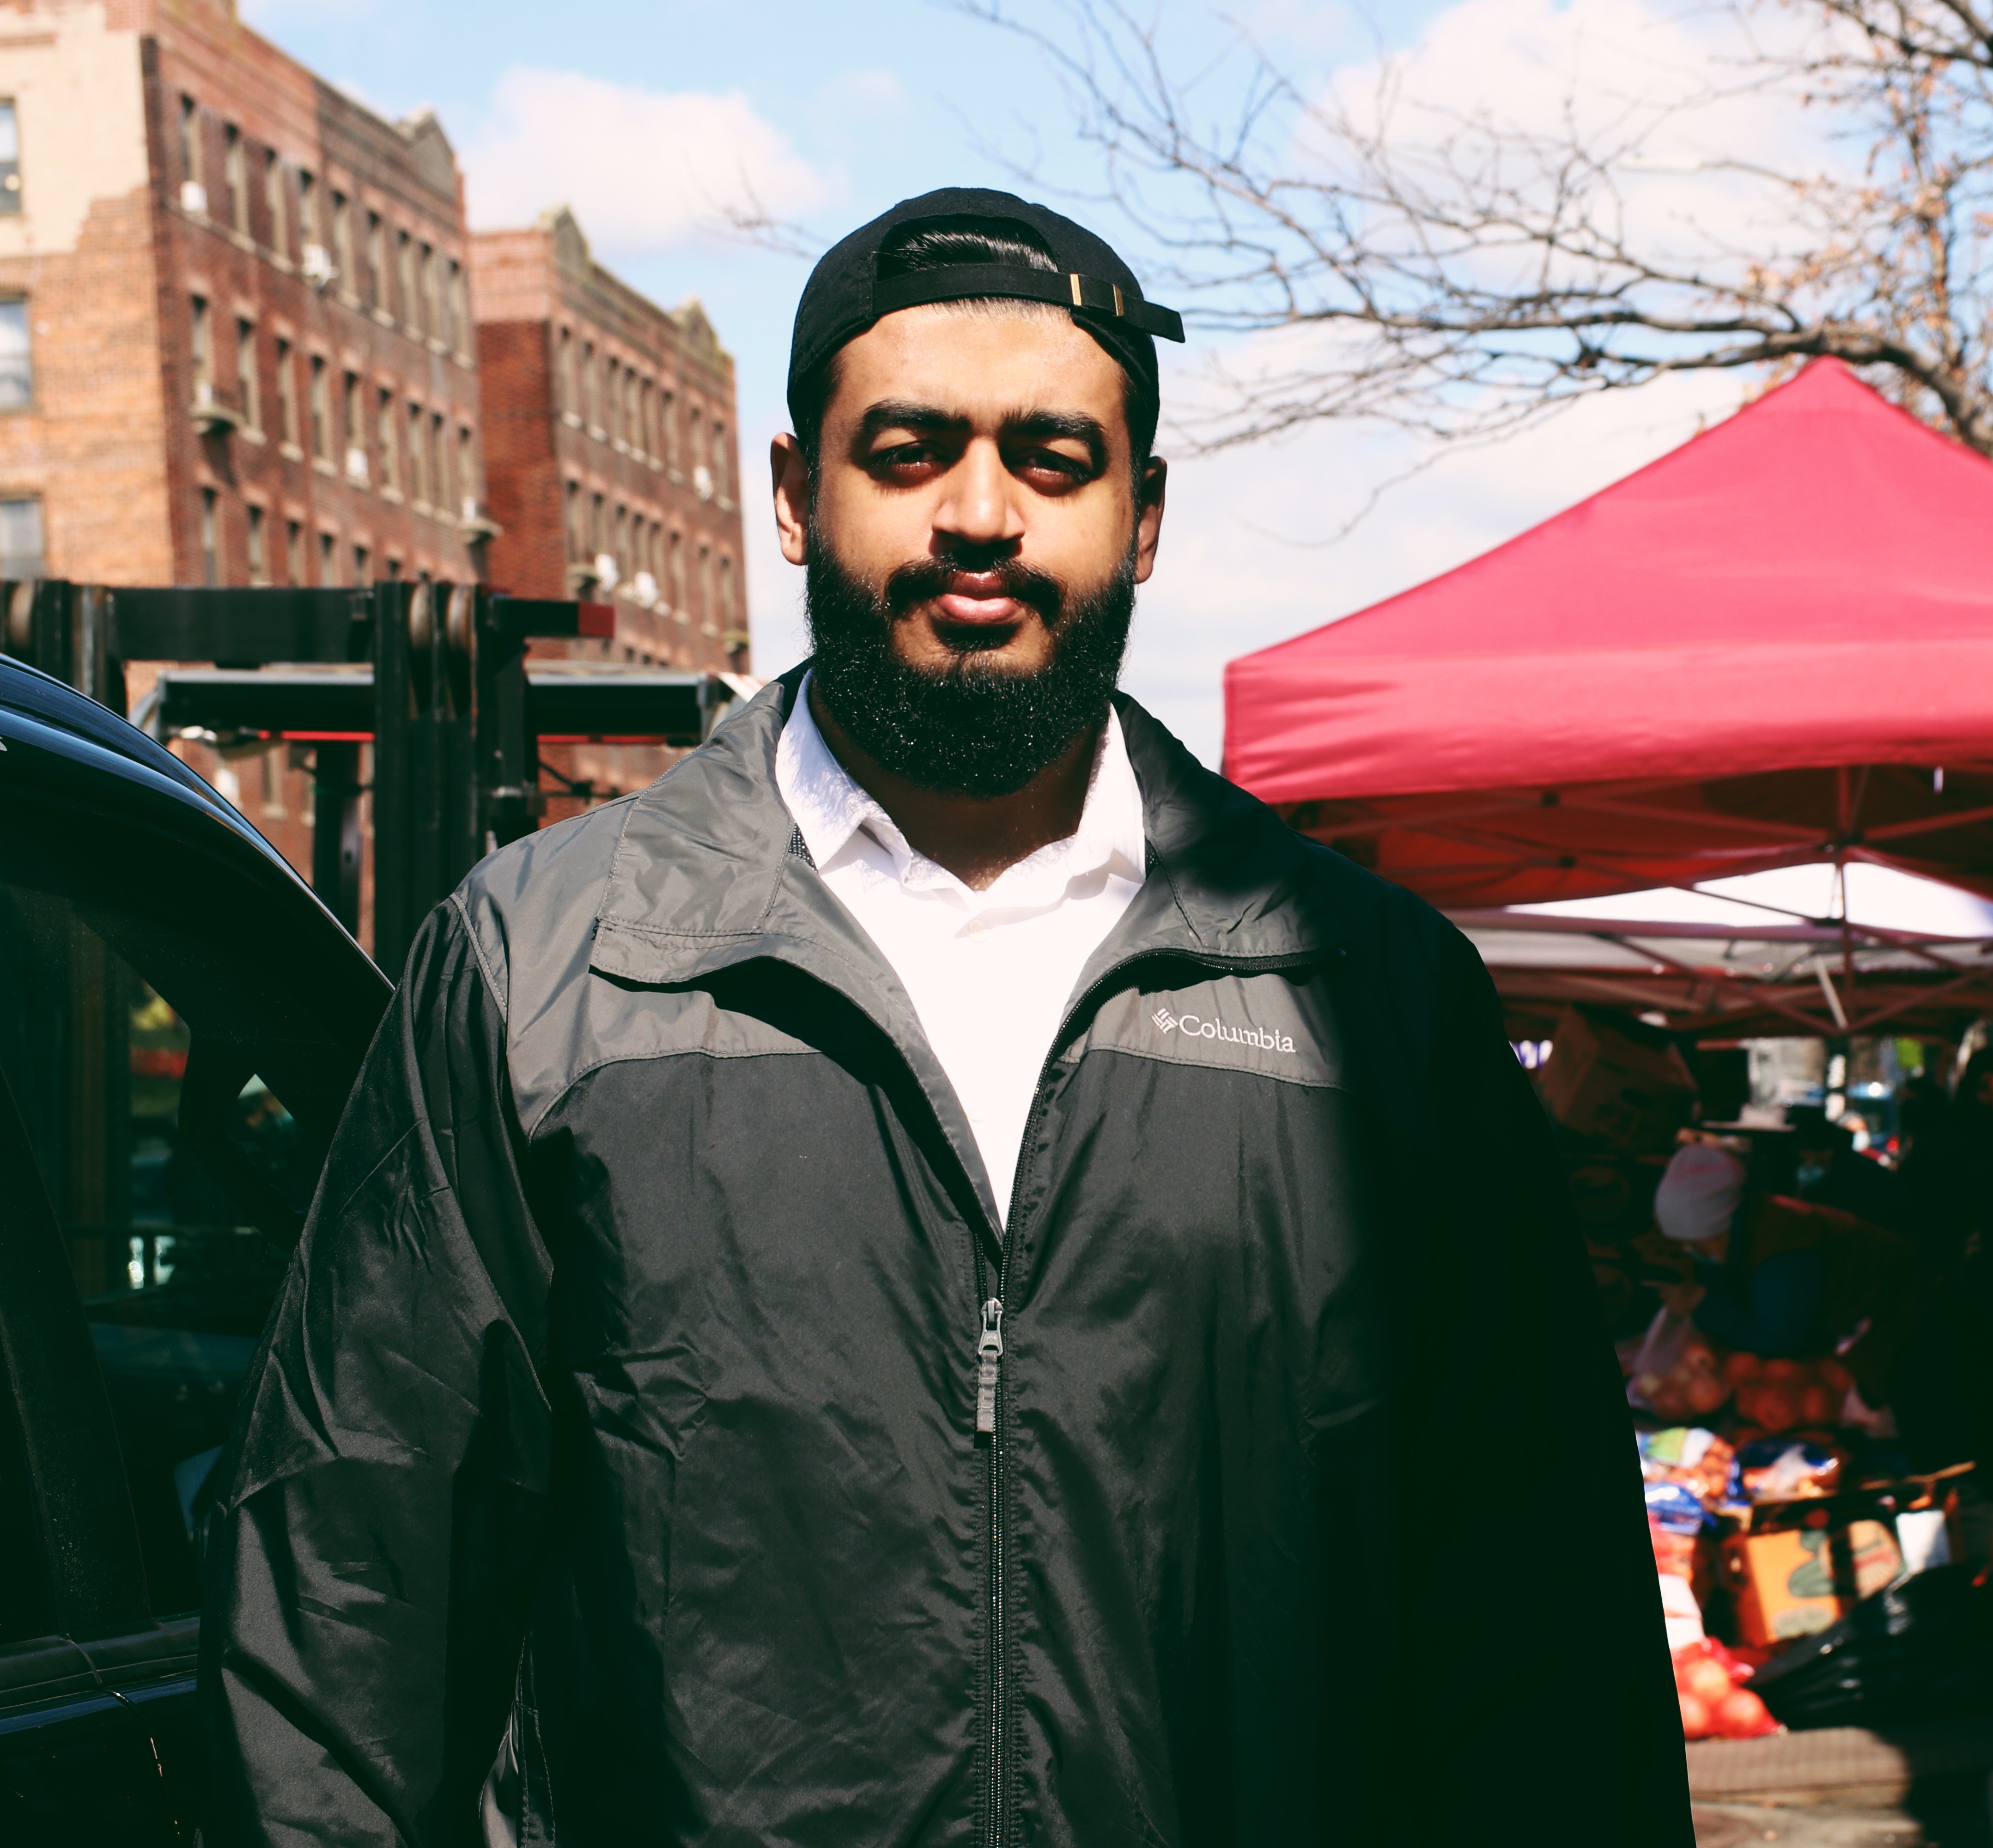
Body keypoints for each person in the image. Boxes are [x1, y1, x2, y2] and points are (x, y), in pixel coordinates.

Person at [197, 189, 1685, 1848]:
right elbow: (348, 1600)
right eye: (907, 452)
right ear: (790, 493)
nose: (982, 515)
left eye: (1054, 460)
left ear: (1145, 517)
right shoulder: (548, 970)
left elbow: (1543, 1641)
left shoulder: (1368, 996)